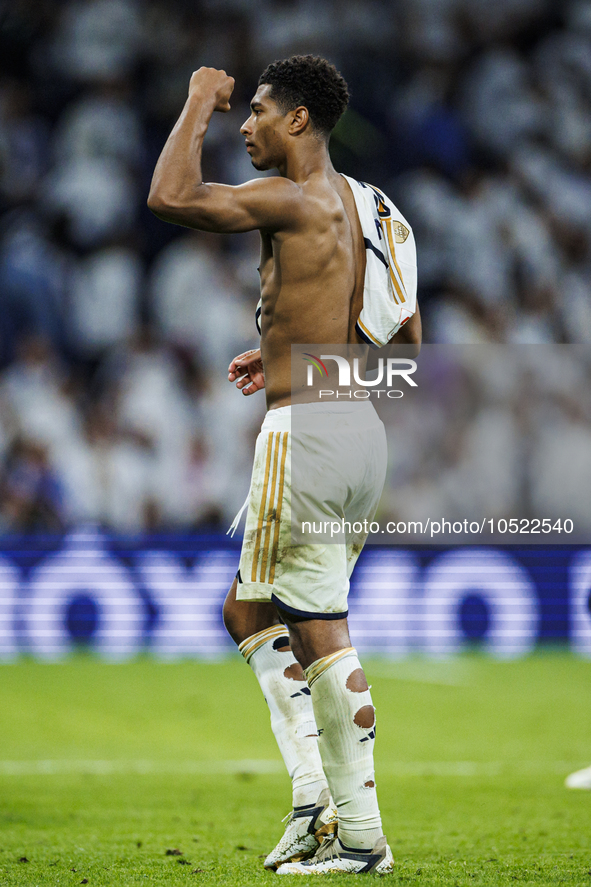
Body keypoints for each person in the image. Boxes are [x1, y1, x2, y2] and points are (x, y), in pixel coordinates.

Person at [148, 55, 420, 874]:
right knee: (248, 610)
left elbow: (170, 197)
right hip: (357, 430)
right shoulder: (376, 210)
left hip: (305, 435)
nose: (244, 123)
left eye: (258, 111)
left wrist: (195, 95)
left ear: (297, 120)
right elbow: (406, 349)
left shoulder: (292, 198)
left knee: (317, 629)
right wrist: (290, 357)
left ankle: (360, 835)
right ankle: (312, 801)